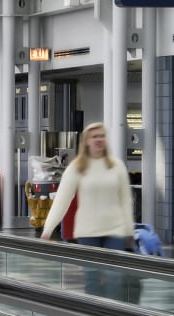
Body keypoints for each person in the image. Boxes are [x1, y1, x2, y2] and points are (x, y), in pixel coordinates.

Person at [41, 122, 133, 300]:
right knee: (92, 279)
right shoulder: (77, 167)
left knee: (115, 279)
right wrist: (48, 228)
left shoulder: (116, 166)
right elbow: (62, 200)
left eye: (102, 136)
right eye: (94, 136)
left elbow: (125, 200)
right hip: (88, 231)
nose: (99, 140)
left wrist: (129, 231)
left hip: (115, 230)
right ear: (86, 141)